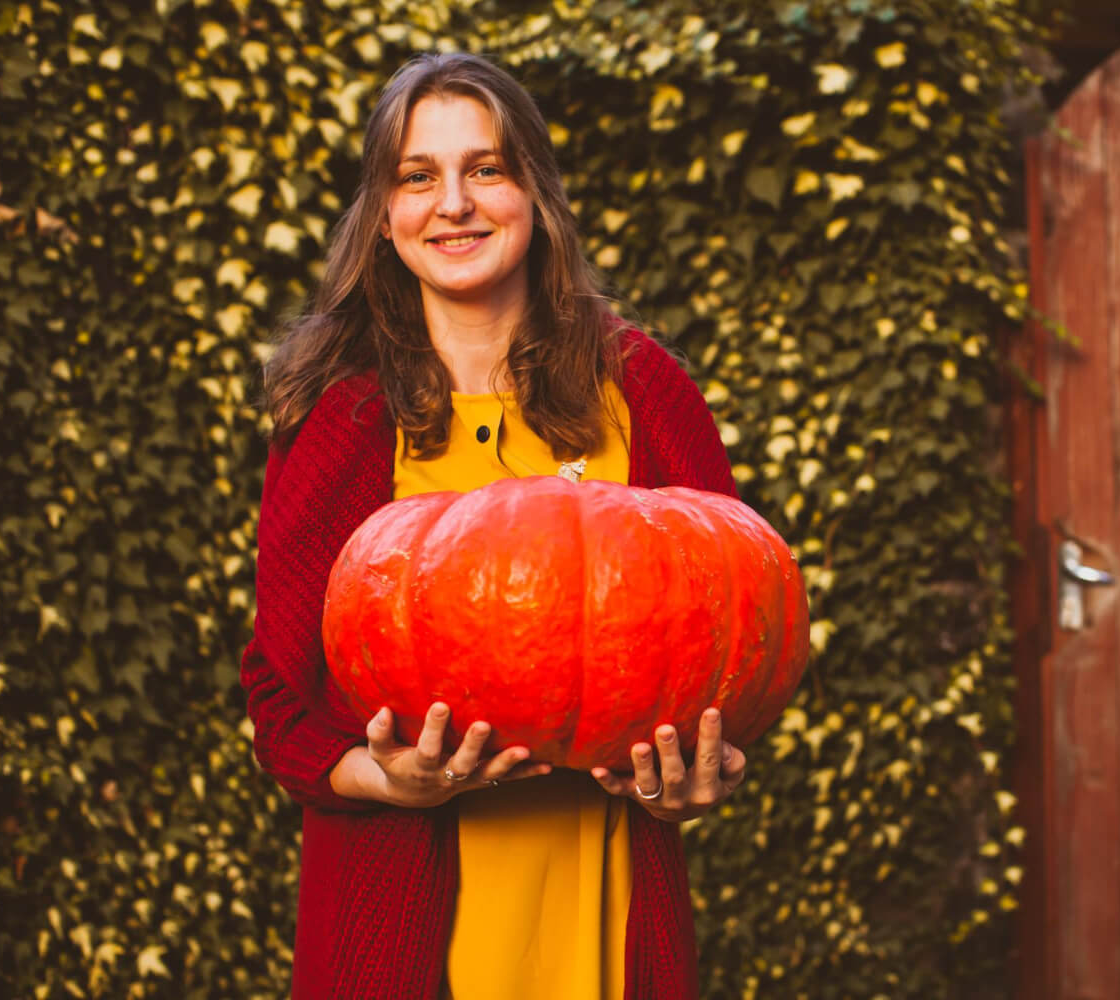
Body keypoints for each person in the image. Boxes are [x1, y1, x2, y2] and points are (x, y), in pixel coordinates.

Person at [239, 52, 749, 1000]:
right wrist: (383, 780)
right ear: (383, 217)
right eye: (418, 177)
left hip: (598, 907)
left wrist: (698, 775)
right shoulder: (341, 418)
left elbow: (726, 636)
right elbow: (277, 695)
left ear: (536, 196)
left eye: (487, 169)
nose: (454, 204)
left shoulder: (644, 390)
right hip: (399, 919)